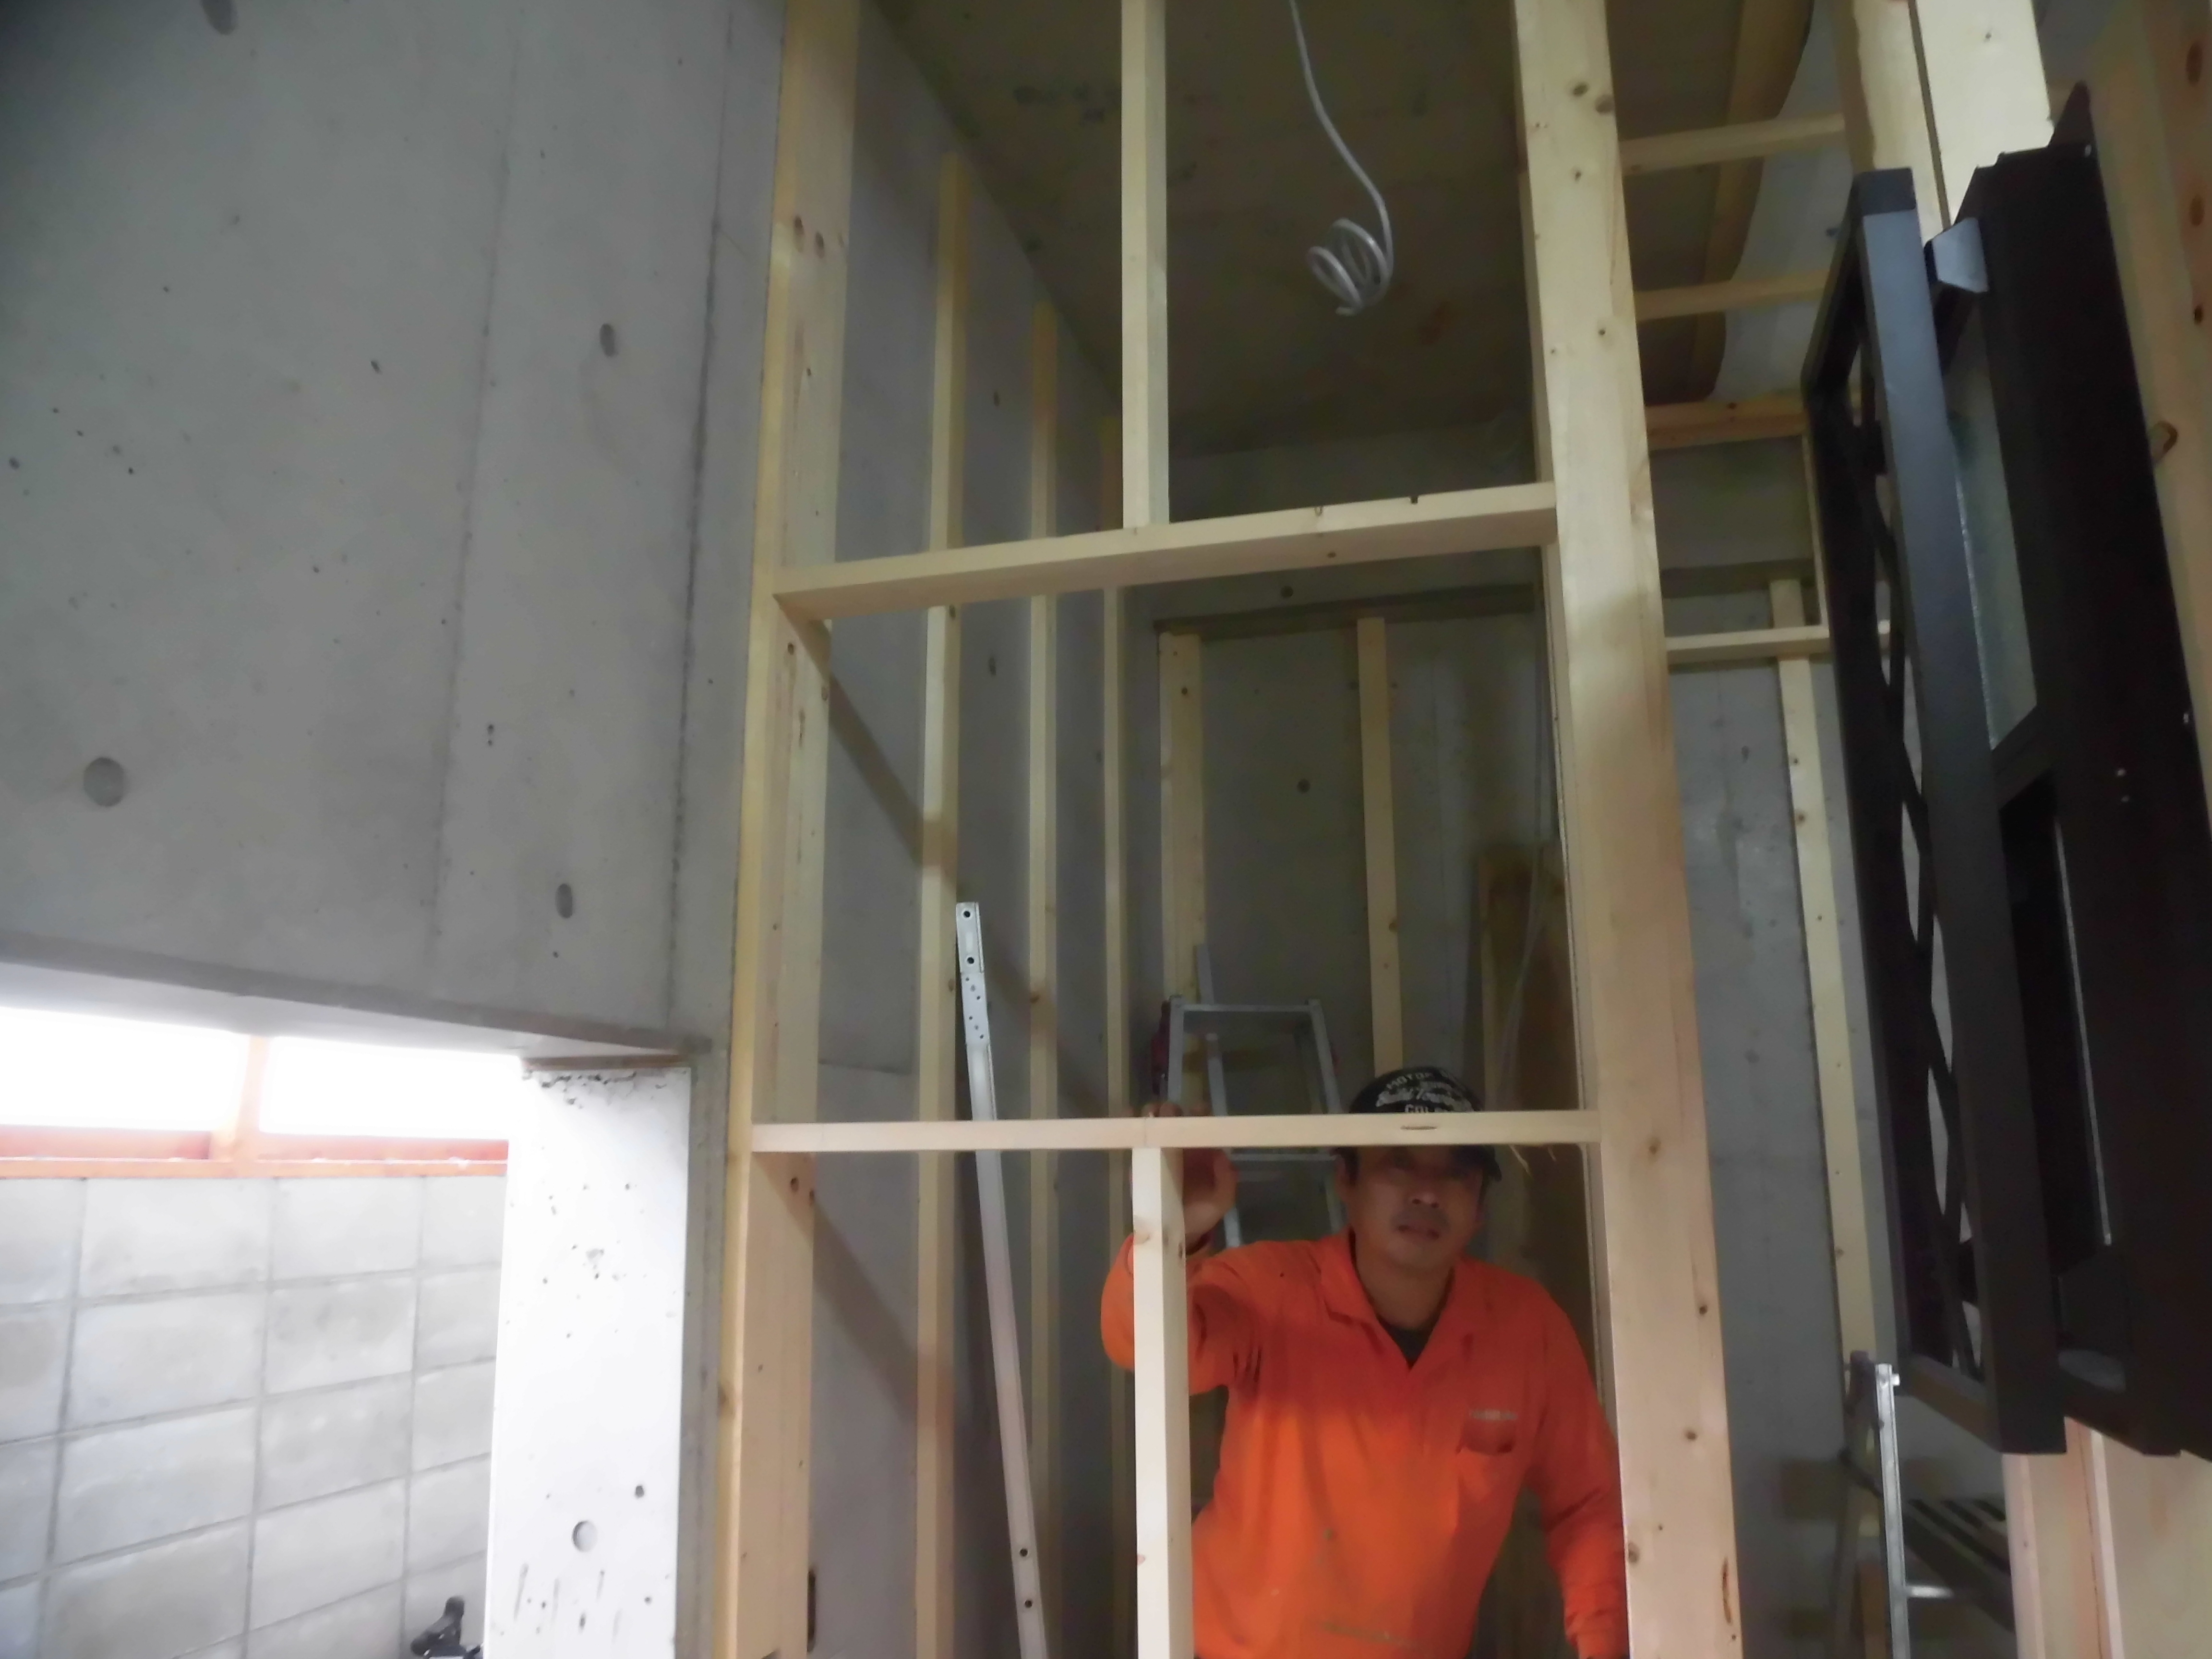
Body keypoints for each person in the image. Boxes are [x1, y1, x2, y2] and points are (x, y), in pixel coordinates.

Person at [1100, 1065, 1628, 1659]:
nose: (1427, 1193)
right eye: (1398, 1163)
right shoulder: (1273, 1287)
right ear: (1345, 1181)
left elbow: (1589, 1504)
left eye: (1456, 1172)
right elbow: (1139, 1346)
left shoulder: (1527, 1328)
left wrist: (1605, 1644)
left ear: (1481, 1206)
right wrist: (1174, 1230)